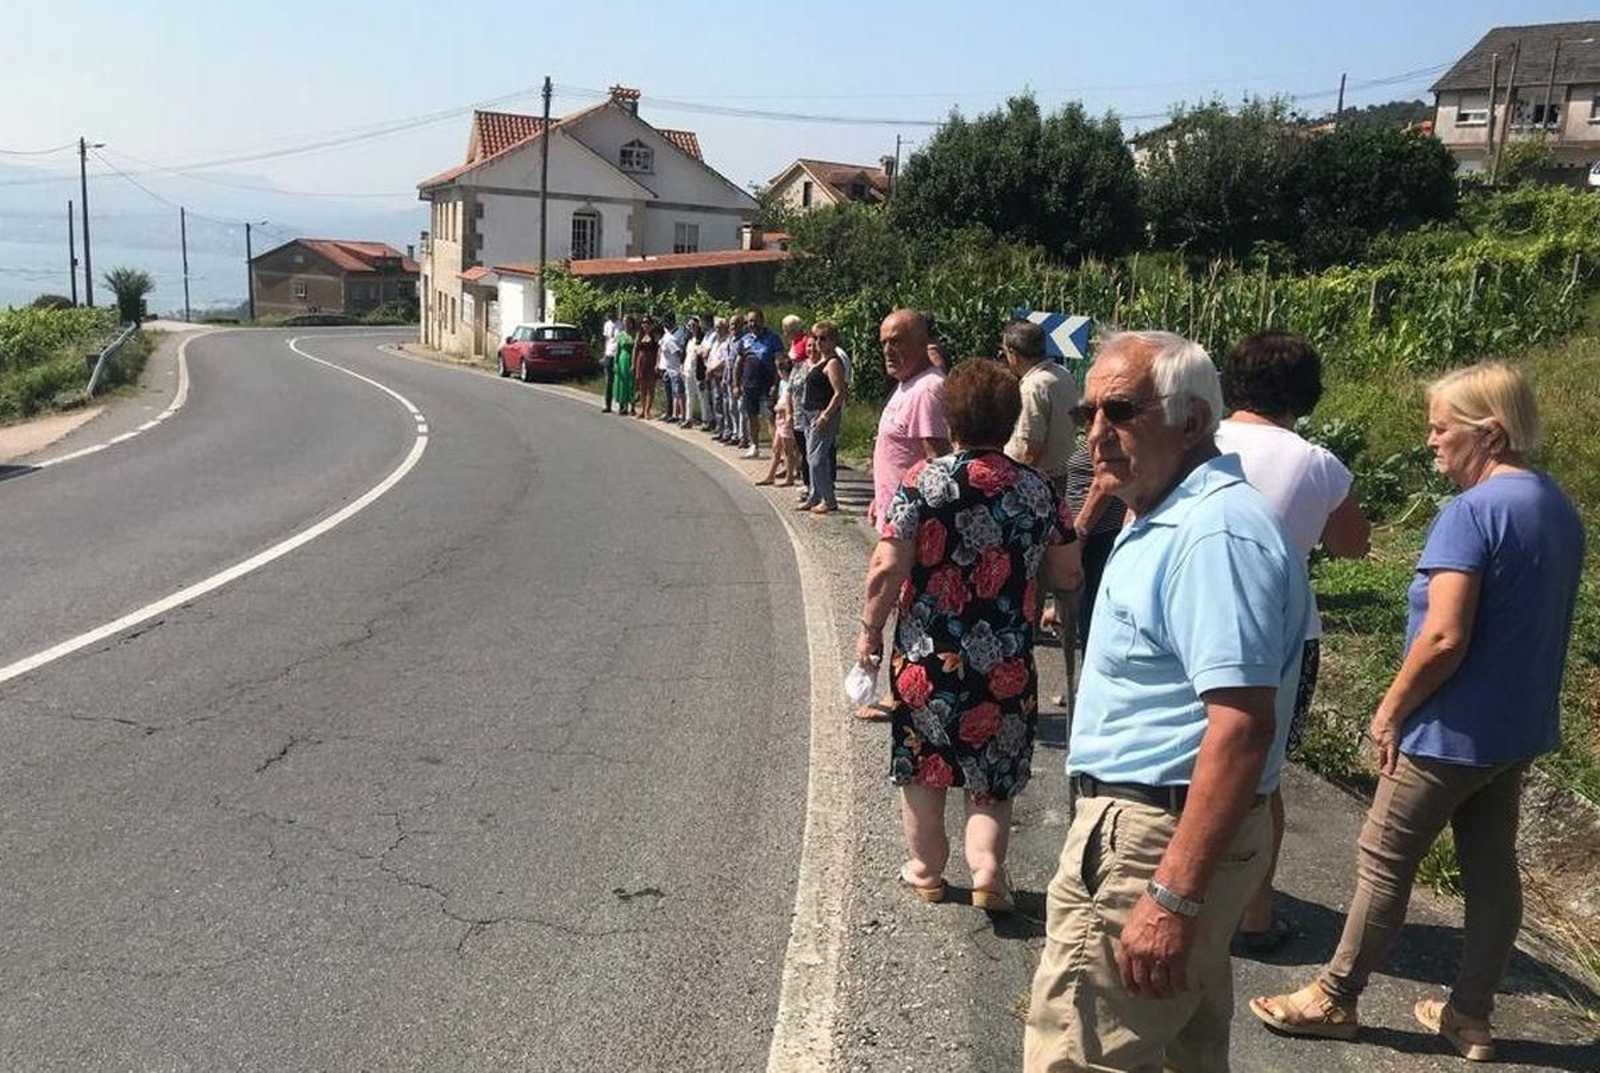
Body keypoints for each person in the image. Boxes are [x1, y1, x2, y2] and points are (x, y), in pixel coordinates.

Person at [1251, 361, 1584, 1064]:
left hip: (1448, 729)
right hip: (1516, 728)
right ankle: (1470, 1014)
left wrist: (1391, 707)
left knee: (1382, 859)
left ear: (1487, 432)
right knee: (1491, 867)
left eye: (1440, 429)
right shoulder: (1554, 503)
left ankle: (1335, 995)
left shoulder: (1471, 512)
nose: (1430, 443)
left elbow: (1443, 634)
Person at [1024, 331, 1310, 1073]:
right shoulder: (1169, 510)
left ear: (1191, 420)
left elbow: (1242, 726)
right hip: (1162, 826)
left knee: (1078, 1055)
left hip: (1155, 836)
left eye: (1119, 410)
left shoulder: (1212, 531)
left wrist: (1174, 896)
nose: (1095, 432)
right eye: (1088, 411)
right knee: (1180, 1049)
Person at [856, 358, 1083, 914]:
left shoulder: (923, 483)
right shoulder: (1038, 491)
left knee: (926, 766)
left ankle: (927, 871)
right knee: (992, 776)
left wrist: (870, 630)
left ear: (951, 417)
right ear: (1008, 421)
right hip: (1005, 661)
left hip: (927, 661)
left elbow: (887, 568)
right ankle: (988, 871)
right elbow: (1069, 574)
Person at [1214, 331, 1372, 956]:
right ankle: (1254, 913)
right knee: (1261, 773)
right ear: (1306, 392)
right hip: (1281, 632)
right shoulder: (1316, 463)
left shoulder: (1197, 442)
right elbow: (1353, 544)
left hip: (1189, 620)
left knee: (1181, 751)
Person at [857, 309, 952, 721]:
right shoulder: (907, 386)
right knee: (896, 606)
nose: (888, 350)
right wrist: (882, 498)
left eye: (897, 340)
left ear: (921, 342)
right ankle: (899, 691)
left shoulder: (928, 389)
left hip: (914, 532)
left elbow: (938, 462)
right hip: (895, 518)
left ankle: (902, 696)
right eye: (883, 342)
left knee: (901, 606)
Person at [1000, 319, 1081, 708]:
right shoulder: (1062, 374)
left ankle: (1023, 638)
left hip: (1035, 480)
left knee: (1028, 567)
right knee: (1053, 565)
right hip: (1061, 475)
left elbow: (1029, 445)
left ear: (1013, 353)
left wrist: (1013, 479)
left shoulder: (1033, 386)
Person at [797, 320, 849, 515]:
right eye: (816, 337)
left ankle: (829, 499)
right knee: (811, 457)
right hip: (810, 414)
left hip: (822, 414)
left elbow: (839, 392)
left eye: (823, 338)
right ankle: (815, 495)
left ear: (833, 340)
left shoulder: (833, 362)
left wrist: (826, 416)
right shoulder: (820, 361)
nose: (819, 342)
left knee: (818, 459)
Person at [735, 308, 783, 459]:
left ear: (762, 321)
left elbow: (779, 363)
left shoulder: (773, 338)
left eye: (755, 320)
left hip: (767, 385)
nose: (752, 324)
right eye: (749, 321)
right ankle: (754, 445)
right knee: (751, 416)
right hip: (749, 384)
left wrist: (776, 384)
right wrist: (735, 384)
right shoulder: (744, 340)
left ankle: (778, 451)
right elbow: (738, 364)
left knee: (770, 417)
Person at [758, 354, 802, 487]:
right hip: (779, 417)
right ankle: (770, 476)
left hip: (787, 417)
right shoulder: (782, 383)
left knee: (788, 449)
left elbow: (793, 402)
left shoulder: (793, 383)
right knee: (776, 448)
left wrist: (780, 407)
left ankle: (789, 477)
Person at [781, 314, 813, 492]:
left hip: (802, 395)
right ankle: (798, 474)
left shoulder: (805, 341)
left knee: (803, 441)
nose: (785, 333)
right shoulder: (794, 343)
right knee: (796, 439)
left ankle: (807, 481)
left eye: (787, 330)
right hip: (793, 389)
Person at [684, 317, 709, 429]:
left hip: (698, 371)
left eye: (693, 325)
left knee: (702, 396)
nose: (691, 328)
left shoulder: (702, 339)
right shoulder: (688, 339)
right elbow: (685, 356)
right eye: (689, 326)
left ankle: (706, 419)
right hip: (688, 370)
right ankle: (688, 418)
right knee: (689, 395)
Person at [634, 316, 660, 421]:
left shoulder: (655, 336)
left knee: (651, 388)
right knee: (642, 387)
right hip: (641, 362)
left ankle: (648, 411)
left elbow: (658, 350)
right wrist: (634, 364)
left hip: (651, 362)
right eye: (644, 322)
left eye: (648, 323)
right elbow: (635, 350)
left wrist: (657, 363)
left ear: (651, 325)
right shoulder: (639, 335)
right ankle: (642, 409)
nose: (646, 325)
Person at [613, 315, 637, 416]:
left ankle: (632, 406)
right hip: (622, 359)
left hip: (632, 358)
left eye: (627, 321)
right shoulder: (620, 335)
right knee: (622, 382)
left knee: (631, 383)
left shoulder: (635, 335)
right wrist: (616, 362)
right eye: (624, 321)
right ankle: (622, 406)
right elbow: (617, 350)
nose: (626, 323)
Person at [602, 312, 619, 413]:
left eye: (610, 314)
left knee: (619, 380)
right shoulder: (607, 324)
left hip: (618, 354)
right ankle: (607, 405)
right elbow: (606, 340)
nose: (609, 316)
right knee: (608, 381)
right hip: (609, 354)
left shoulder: (620, 325)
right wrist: (605, 354)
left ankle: (622, 405)